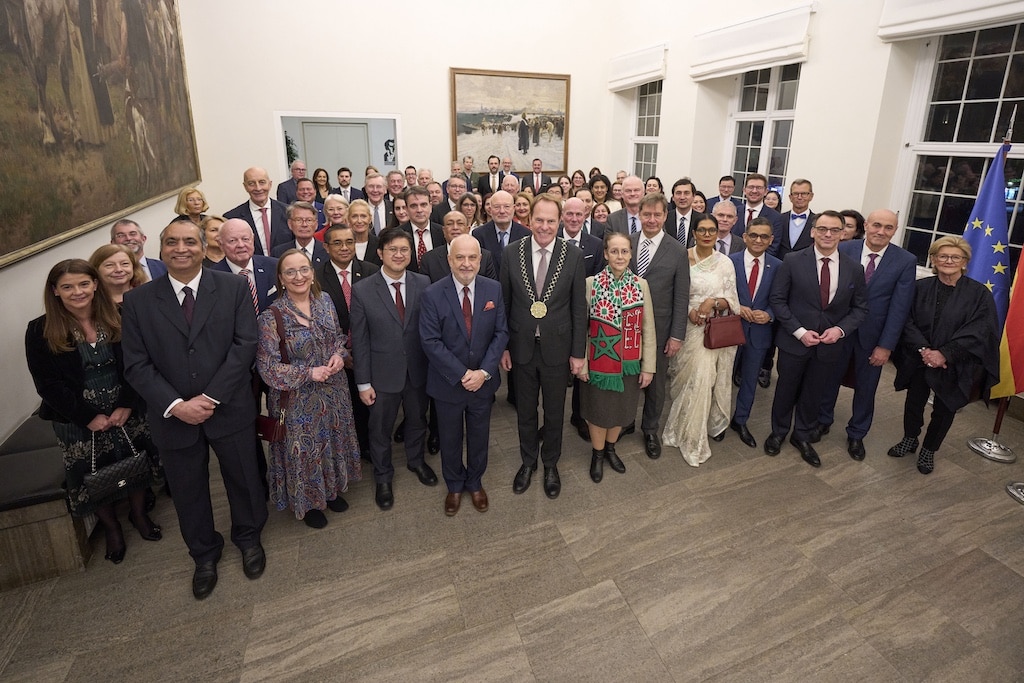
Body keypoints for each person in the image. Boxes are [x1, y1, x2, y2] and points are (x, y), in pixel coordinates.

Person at [121, 220, 268, 600]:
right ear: (161, 248)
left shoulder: (233, 288)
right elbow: (136, 364)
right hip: (173, 416)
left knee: (244, 479)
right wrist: (175, 405)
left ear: (205, 248)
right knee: (188, 490)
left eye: (190, 241)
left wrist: (211, 397)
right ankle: (204, 554)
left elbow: (244, 345)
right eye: (171, 242)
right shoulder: (138, 301)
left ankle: (249, 538)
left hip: (229, 406)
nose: (180, 248)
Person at [26, 260, 160, 565]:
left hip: (125, 408)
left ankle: (139, 515)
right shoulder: (40, 330)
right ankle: (112, 527)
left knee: (135, 459)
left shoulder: (121, 316)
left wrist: (127, 402)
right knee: (91, 471)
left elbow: (139, 362)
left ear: (96, 285)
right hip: (76, 418)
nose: (77, 292)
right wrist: (88, 417)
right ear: (55, 291)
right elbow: (47, 384)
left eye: (84, 284)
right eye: (68, 287)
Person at [256, 250, 361, 528]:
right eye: (290, 272)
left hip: (334, 391)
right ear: (281, 278)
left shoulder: (325, 301)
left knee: (333, 442)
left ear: (312, 273)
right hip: (298, 401)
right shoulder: (271, 316)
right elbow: (268, 368)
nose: (298, 276)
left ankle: (332, 490)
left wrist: (339, 355)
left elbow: (337, 336)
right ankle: (310, 503)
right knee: (305, 452)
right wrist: (308, 373)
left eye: (303, 269)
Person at [764, 211, 868, 468]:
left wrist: (840, 331)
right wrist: (799, 331)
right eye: (822, 229)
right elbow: (778, 300)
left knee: (814, 393)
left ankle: (802, 436)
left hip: (829, 346)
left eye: (834, 230)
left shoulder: (854, 268)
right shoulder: (792, 260)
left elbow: (860, 308)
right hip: (794, 342)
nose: (828, 234)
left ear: (843, 233)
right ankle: (778, 432)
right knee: (785, 390)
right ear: (813, 231)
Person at [500, 193, 587, 499]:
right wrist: (504, 347)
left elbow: (579, 308)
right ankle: (528, 462)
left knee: (553, 412)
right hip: (521, 347)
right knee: (525, 411)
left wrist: (578, 353)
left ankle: (550, 463)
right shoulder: (511, 252)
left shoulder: (573, 255)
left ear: (560, 220)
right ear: (529, 220)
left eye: (551, 221)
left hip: (558, 349)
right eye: (539, 220)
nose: (545, 226)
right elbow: (504, 304)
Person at [888, 236, 999, 474]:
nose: (949, 261)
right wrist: (925, 350)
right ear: (934, 260)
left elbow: (981, 329)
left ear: (964, 262)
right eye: (943, 256)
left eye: (955, 257)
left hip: (955, 362)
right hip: (920, 358)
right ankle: (910, 438)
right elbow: (905, 320)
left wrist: (945, 354)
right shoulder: (920, 288)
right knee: (914, 401)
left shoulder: (979, 294)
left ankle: (929, 449)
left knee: (945, 407)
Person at [817, 209, 917, 459]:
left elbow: (899, 308)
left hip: (874, 337)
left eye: (888, 228)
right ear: (866, 225)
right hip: (838, 331)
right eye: (877, 225)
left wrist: (886, 346)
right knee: (828, 380)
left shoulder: (905, 261)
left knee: (866, 388)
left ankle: (856, 434)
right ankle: (822, 420)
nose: (881, 232)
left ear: (895, 231)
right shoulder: (845, 249)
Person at [419, 235, 509, 515]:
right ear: (449, 260)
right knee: (449, 437)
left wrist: (483, 372)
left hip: (482, 383)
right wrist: (462, 374)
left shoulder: (493, 289)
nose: (466, 263)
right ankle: (455, 485)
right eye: (460, 257)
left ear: (480, 260)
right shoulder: (432, 294)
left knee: (480, 435)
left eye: (472, 257)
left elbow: (501, 333)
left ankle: (475, 481)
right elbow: (430, 341)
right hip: (447, 384)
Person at [350, 227, 438, 510]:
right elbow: (360, 340)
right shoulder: (362, 290)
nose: (399, 255)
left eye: (404, 250)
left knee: (416, 420)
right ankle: (383, 475)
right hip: (381, 375)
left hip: (418, 372)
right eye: (393, 250)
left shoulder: (424, 283)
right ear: (380, 253)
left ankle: (416, 461)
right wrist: (363, 383)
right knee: (380, 429)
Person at [660, 215, 740, 465]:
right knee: (683, 381)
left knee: (703, 380)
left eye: (712, 230)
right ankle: (679, 426)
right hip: (685, 328)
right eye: (702, 230)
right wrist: (689, 311)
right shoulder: (681, 257)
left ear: (718, 234)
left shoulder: (725, 263)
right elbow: (672, 293)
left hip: (710, 332)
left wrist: (712, 303)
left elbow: (733, 301)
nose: (707, 234)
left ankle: (694, 439)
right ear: (694, 233)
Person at [577, 232, 656, 482]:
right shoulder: (591, 284)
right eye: (614, 251)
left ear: (631, 254)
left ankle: (611, 449)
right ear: (606, 254)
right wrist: (582, 363)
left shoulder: (641, 285)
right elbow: (581, 328)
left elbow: (648, 328)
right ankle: (597, 454)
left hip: (630, 364)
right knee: (598, 411)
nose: (619, 256)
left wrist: (649, 367)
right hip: (599, 362)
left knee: (622, 411)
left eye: (624, 251)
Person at [316, 224, 379, 457]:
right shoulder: (316, 277)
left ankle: (369, 447)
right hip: (336, 357)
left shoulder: (372, 270)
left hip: (371, 352)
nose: (344, 248)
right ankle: (350, 451)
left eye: (349, 242)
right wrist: (344, 353)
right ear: (326, 247)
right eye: (337, 243)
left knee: (371, 405)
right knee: (346, 408)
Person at [728, 217, 781, 448]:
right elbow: (720, 291)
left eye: (764, 236)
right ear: (746, 237)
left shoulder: (779, 266)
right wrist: (736, 307)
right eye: (754, 235)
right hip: (730, 329)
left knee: (749, 379)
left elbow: (782, 298)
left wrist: (769, 314)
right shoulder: (730, 261)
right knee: (721, 378)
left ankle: (740, 420)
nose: (758, 240)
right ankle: (716, 420)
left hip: (759, 332)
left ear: (771, 240)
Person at [211, 219, 279, 315]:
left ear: (253, 239)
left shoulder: (274, 266)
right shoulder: (213, 278)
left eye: (245, 239)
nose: (241, 245)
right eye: (232, 241)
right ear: (221, 245)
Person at [223, 166, 292, 256]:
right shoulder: (232, 218)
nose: (258, 188)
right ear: (245, 187)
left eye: (262, 182)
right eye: (251, 183)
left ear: (270, 184)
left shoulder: (288, 212)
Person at [472, 190, 529, 272]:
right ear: (490, 210)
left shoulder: (525, 234)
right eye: (497, 207)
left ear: (513, 209)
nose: (502, 211)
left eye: (506, 206)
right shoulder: (479, 234)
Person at [347, 199, 380, 264]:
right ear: (348, 219)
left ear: (370, 219)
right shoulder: (344, 246)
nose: (359, 221)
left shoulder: (380, 244)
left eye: (363, 216)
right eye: (354, 216)